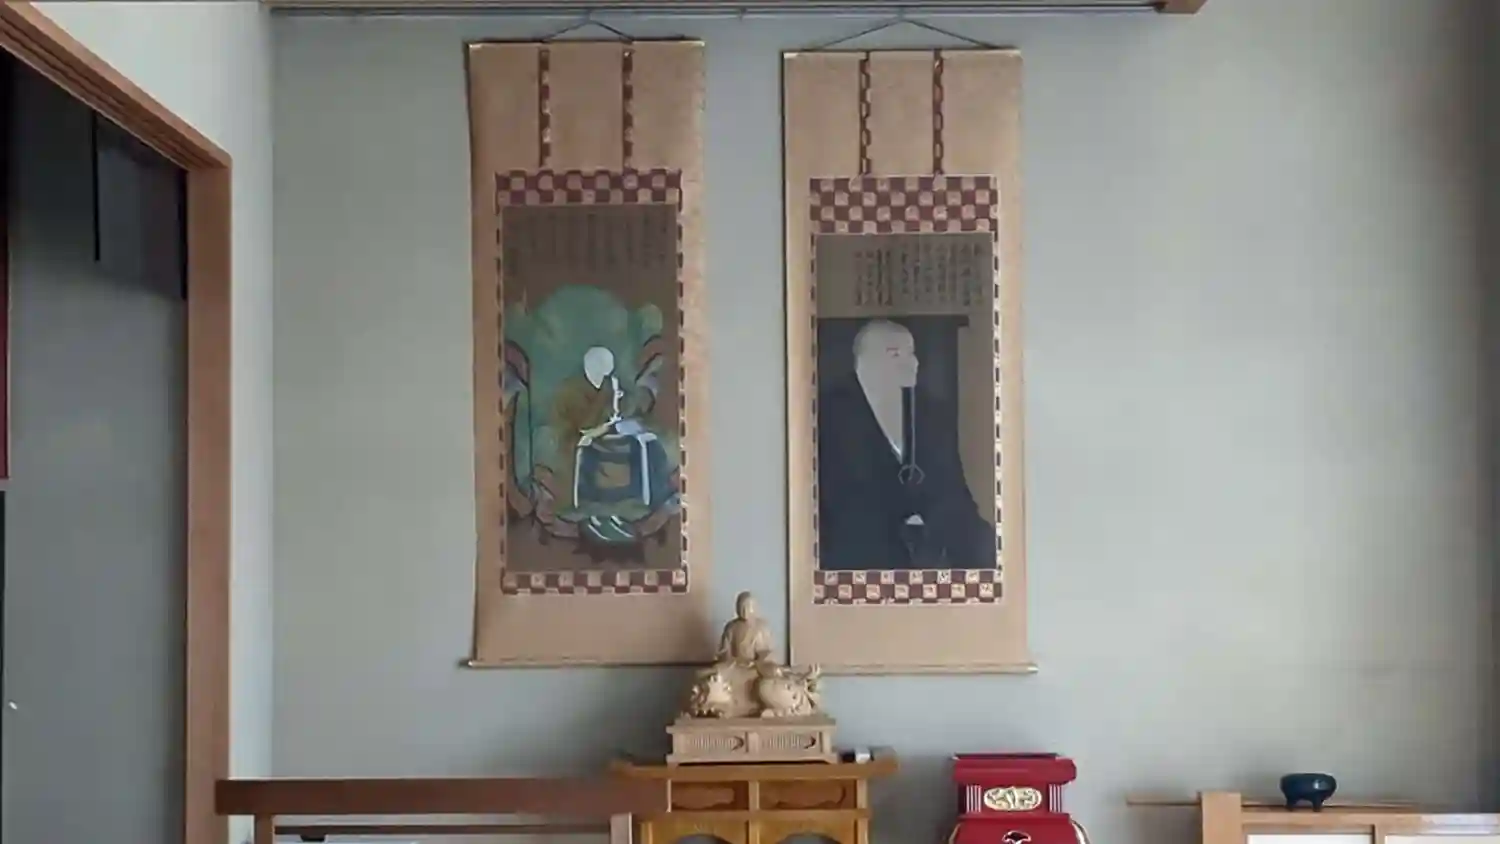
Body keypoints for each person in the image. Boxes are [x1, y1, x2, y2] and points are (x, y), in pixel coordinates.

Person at [816, 319, 993, 571]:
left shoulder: (931, 413)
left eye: (912, 353)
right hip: (853, 563)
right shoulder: (827, 414)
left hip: (931, 562)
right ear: (865, 361)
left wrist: (988, 556)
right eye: (896, 354)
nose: (913, 363)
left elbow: (953, 493)